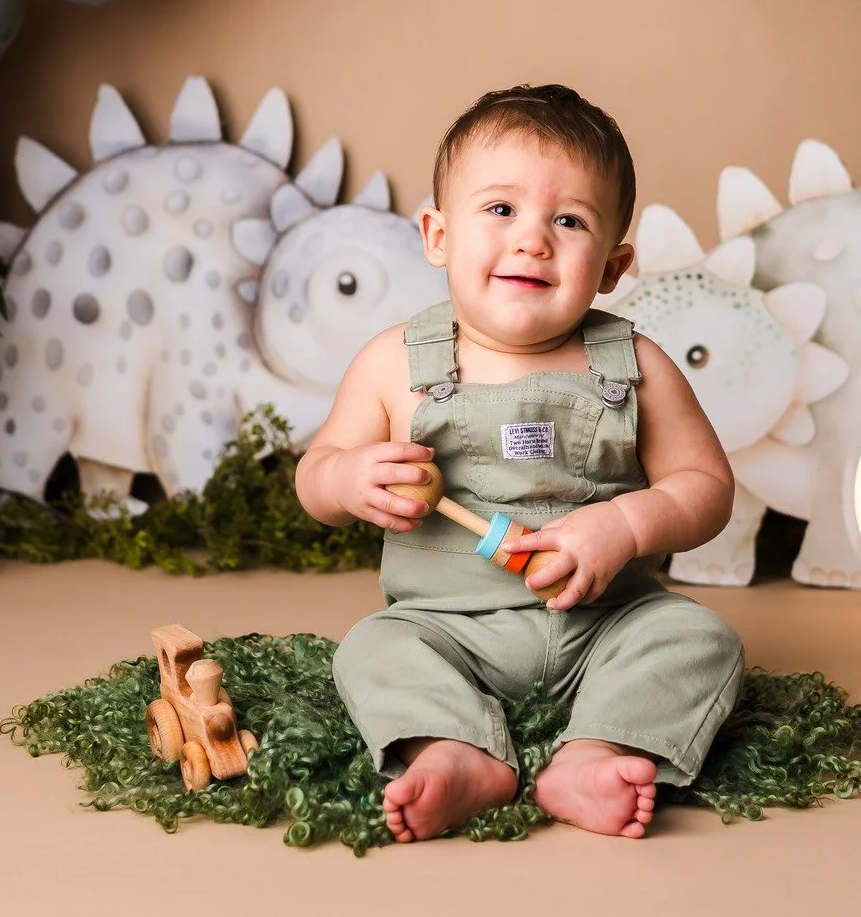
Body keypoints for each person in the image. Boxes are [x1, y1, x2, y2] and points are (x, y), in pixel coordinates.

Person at [295, 83, 743, 843]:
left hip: (609, 622)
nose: (533, 239)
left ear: (612, 263)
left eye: (568, 220)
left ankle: (595, 750)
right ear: (438, 234)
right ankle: (457, 748)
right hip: (447, 628)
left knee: (703, 639)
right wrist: (346, 478)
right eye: (500, 210)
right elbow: (316, 473)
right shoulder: (393, 364)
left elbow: (707, 487)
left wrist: (626, 523)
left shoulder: (635, 364)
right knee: (374, 647)